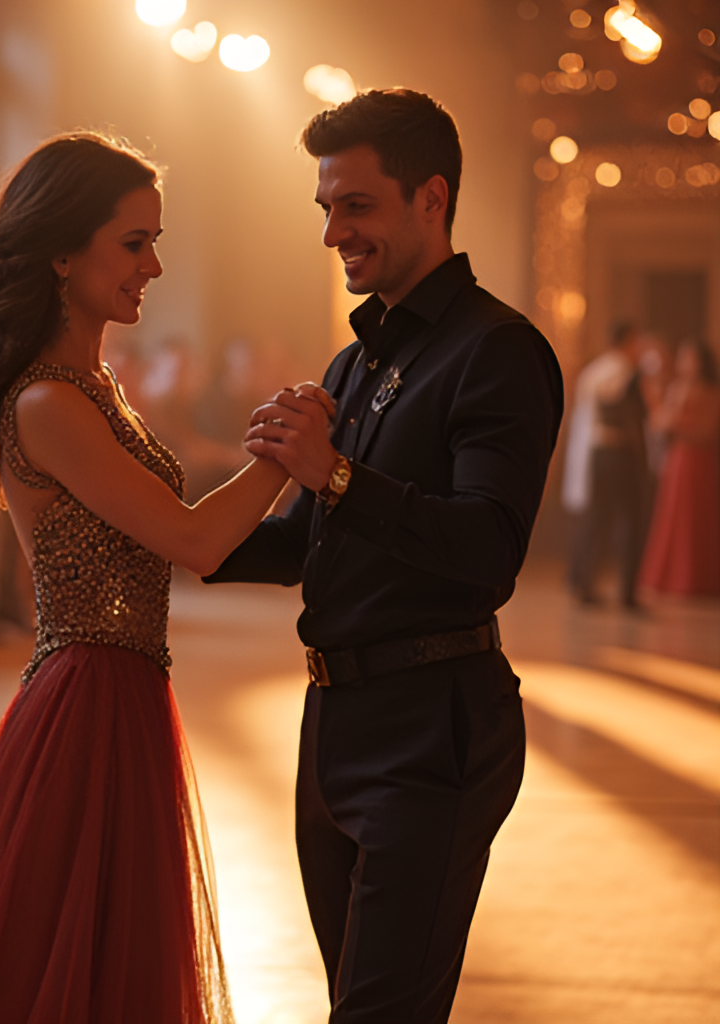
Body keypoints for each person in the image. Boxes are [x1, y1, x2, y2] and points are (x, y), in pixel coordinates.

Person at [0, 132, 295, 1024]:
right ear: (63, 251)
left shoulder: (91, 387)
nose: (154, 265)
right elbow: (195, 541)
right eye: (134, 242)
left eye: (154, 241)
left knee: (106, 962)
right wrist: (287, 455)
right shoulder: (51, 403)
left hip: (124, 685)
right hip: (86, 697)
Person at [204, 89, 564, 1023]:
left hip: (432, 724)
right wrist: (165, 534)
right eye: (326, 208)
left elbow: (487, 549)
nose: (334, 233)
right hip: (333, 721)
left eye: (356, 206)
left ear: (431, 199)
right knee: (357, 1003)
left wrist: (331, 477)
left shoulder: (497, 351)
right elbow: (303, 545)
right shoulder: (352, 362)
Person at [563, 321, 649, 607]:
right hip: (617, 453)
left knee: (596, 519)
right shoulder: (624, 373)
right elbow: (621, 413)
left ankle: (582, 582)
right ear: (628, 341)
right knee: (628, 520)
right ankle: (626, 592)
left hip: (595, 453)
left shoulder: (594, 370)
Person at [639, 339, 720, 596]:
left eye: (690, 358)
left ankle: (699, 580)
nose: (685, 363)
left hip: (699, 460)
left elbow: (706, 430)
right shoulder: (677, 387)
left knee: (697, 518)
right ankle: (672, 578)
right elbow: (660, 420)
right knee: (673, 515)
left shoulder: (710, 391)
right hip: (678, 459)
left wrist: (676, 424)